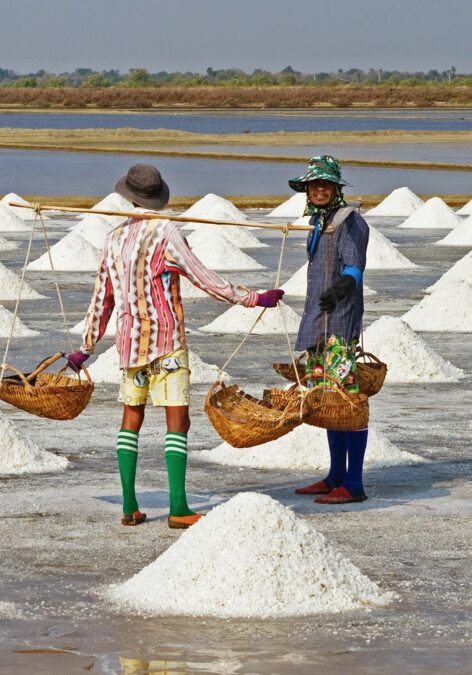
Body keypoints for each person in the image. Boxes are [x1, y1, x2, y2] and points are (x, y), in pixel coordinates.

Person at [67, 164, 285, 529]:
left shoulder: (114, 238)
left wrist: (86, 346)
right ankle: (179, 507)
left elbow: (102, 298)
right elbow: (205, 278)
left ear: (129, 197)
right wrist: (253, 298)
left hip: (130, 344)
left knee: (131, 418)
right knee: (177, 420)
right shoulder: (166, 233)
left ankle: (130, 506)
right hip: (166, 344)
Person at [286, 156, 371, 505]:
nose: (319, 189)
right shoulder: (320, 223)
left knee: (347, 401)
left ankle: (353, 484)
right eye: (313, 184)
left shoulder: (349, 221)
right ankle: (335, 475)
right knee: (329, 401)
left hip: (339, 324)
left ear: (336, 188)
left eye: (325, 184)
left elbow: (354, 267)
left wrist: (342, 287)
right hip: (318, 322)